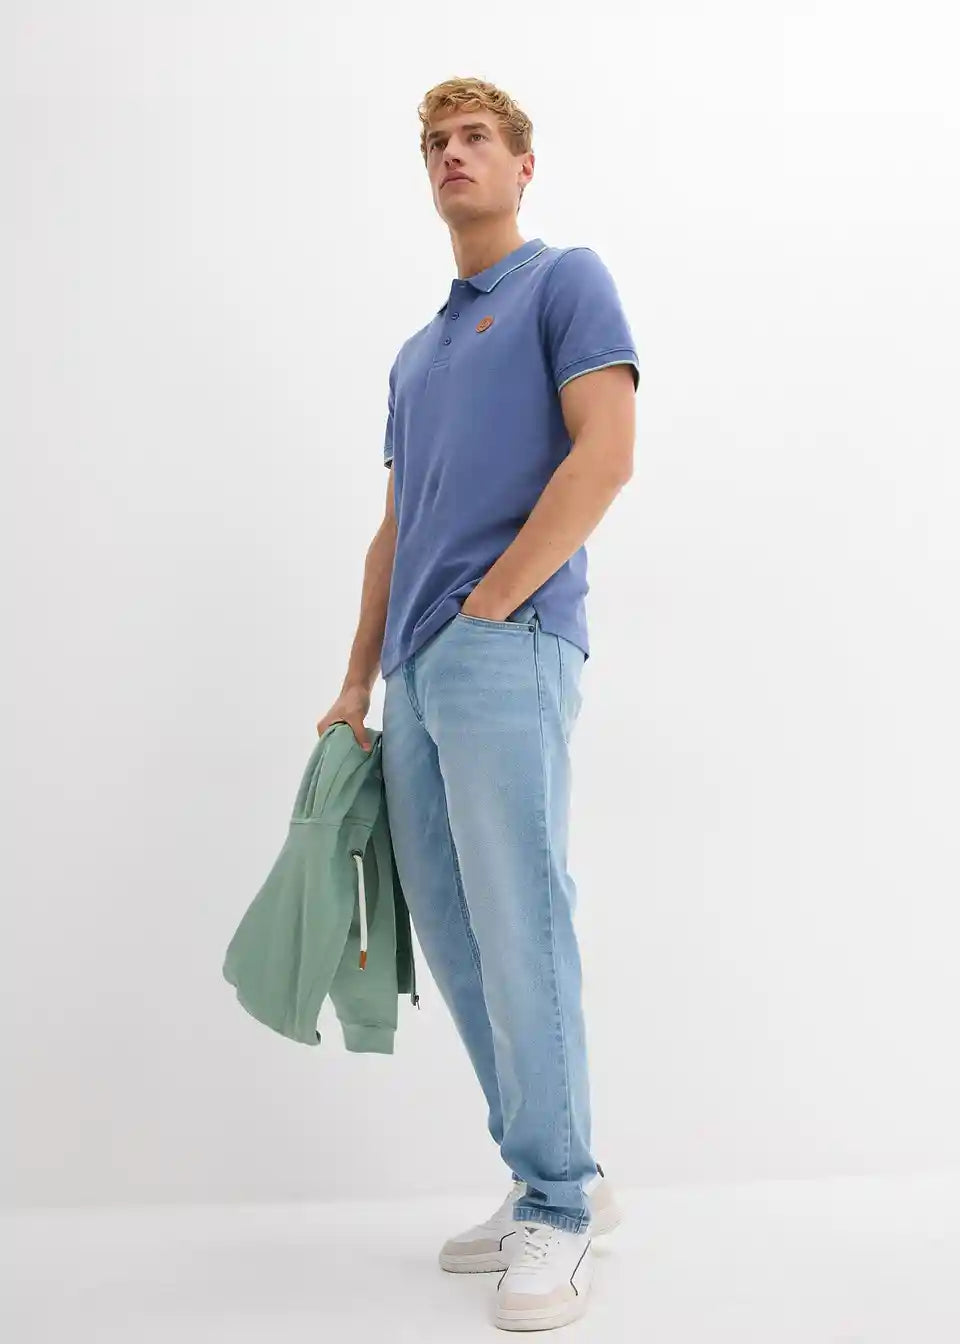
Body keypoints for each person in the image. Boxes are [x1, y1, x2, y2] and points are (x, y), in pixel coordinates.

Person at [314, 77, 638, 1333]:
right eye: (436, 144)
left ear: (522, 166)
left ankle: (561, 1203)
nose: (452, 155)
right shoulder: (416, 353)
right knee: (454, 938)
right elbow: (394, 528)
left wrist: (496, 602)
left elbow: (606, 452)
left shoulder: (564, 282)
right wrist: (358, 680)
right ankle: (548, 1176)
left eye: (476, 138)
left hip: (509, 646)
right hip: (415, 675)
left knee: (522, 921)